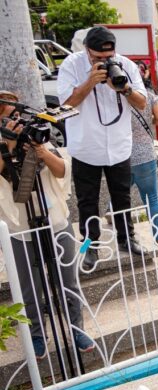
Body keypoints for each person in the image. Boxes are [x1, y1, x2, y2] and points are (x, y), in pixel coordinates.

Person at [0, 97, 95, 359]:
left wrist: (41, 151)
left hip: (54, 221)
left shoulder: (38, 136)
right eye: (8, 118)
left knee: (68, 280)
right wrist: (8, 146)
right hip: (19, 227)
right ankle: (37, 334)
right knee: (29, 286)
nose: (15, 123)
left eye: (16, 116)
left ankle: (77, 328)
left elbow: (63, 170)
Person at [57, 26, 149, 271]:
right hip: (86, 147)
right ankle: (91, 245)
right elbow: (66, 105)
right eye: (98, 58)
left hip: (119, 147)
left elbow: (142, 103)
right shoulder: (71, 65)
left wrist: (124, 88)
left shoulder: (125, 66)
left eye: (108, 57)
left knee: (122, 197)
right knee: (87, 200)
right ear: (87, 51)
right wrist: (90, 82)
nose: (104, 62)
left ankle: (126, 238)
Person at [130, 86, 158, 249]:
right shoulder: (148, 95)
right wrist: (150, 122)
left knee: (122, 192)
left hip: (122, 153)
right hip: (145, 153)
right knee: (151, 198)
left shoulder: (114, 96)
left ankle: (112, 216)